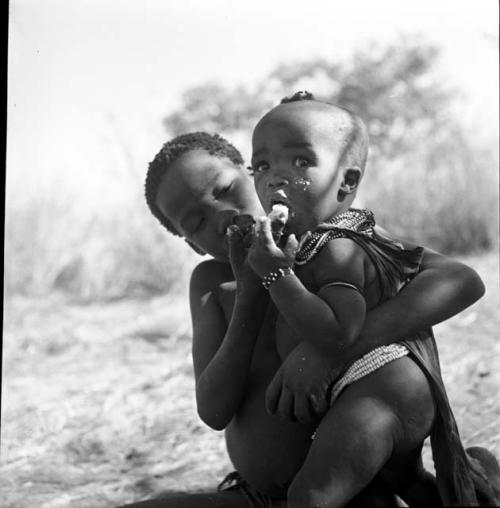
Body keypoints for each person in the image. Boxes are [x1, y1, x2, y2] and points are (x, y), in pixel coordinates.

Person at [119, 128, 493, 507]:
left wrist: (328, 356)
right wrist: (250, 294)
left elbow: (461, 280)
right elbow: (214, 409)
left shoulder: (327, 236)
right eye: (197, 223)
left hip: (346, 483)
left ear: (253, 174)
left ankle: (480, 481)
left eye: (225, 189)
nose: (223, 217)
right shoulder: (211, 284)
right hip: (261, 497)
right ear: (191, 244)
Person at [244, 90, 500, 507]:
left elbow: (340, 329)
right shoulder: (310, 243)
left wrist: (275, 275)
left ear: (346, 182)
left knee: (310, 497)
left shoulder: (340, 243)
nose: (275, 177)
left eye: (301, 161)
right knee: (413, 487)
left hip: (379, 389)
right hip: (368, 393)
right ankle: (484, 487)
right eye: (262, 165)